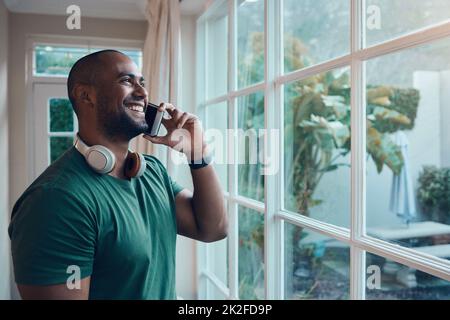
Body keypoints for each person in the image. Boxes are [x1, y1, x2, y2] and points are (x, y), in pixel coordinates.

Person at [8, 50, 227, 300]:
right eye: (126, 81)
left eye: (142, 83)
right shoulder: (54, 202)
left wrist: (197, 153)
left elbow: (214, 228)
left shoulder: (152, 172)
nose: (143, 93)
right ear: (85, 95)